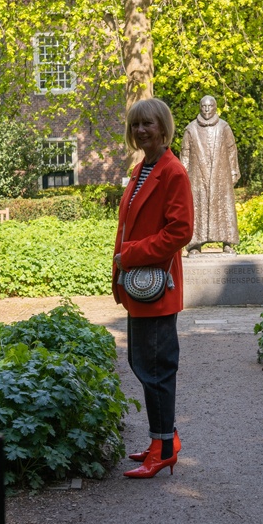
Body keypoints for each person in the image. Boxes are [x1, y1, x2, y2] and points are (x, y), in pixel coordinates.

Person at [112, 98, 194, 478]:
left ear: (163, 127)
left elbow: (181, 231)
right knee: (142, 364)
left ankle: (162, 451)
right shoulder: (141, 169)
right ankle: (163, 439)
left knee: (156, 369)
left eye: (148, 123)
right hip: (138, 285)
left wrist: (130, 255)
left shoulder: (172, 171)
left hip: (157, 286)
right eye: (135, 125)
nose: (141, 130)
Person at [180, 95, 240, 255]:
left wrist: (234, 171)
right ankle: (194, 245)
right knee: (197, 207)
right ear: (200, 107)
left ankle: (227, 242)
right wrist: (183, 176)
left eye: (210, 106)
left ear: (215, 107)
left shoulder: (224, 127)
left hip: (221, 175)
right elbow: (185, 154)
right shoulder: (191, 129)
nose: (207, 109)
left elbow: (231, 149)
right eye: (204, 106)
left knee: (224, 207)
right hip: (197, 177)